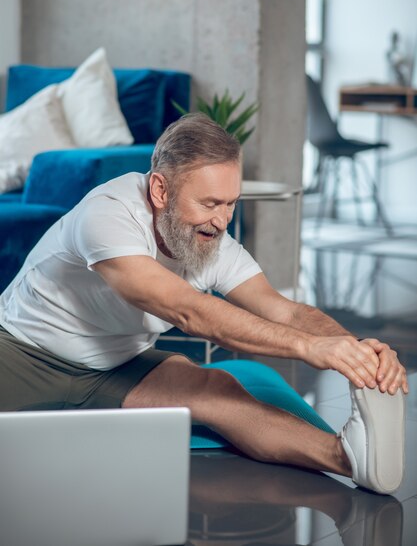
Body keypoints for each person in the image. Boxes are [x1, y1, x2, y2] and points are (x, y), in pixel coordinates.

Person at [0, 113, 407, 495]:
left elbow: (285, 310)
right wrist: (308, 347)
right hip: (22, 354)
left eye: (231, 203)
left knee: (219, 389)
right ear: (160, 190)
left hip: (116, 366)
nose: (222, 219)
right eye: (209, 203)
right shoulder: (107, 214)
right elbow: (185, 309)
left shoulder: (211, 242)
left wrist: (358, 350)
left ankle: (351, 457)